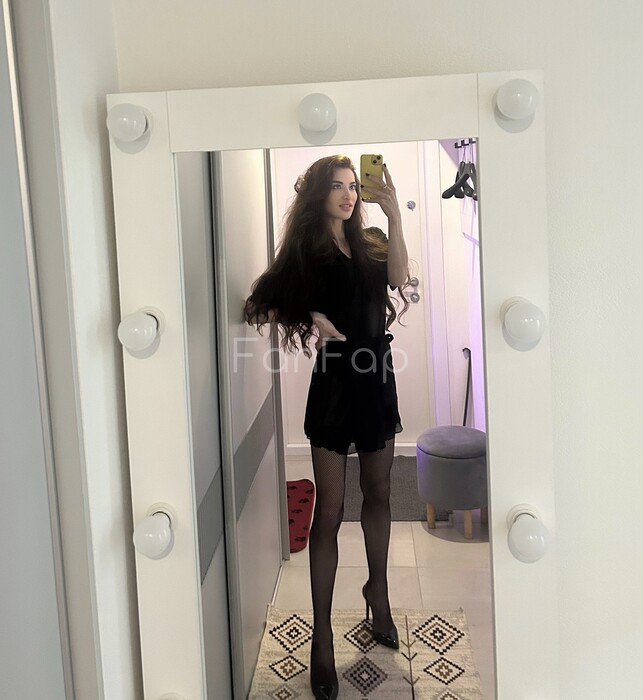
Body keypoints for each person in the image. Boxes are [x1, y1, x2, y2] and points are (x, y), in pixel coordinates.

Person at [245, 154, 409, 700]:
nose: (347, 194)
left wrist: (396, 216)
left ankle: (377, 593)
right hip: (336, 386)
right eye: (337, 186)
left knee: (380, 493)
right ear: (319, 194)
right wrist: (307, 315)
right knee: (330, 514)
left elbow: (399, 278)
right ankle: (321, 637)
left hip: (377, 377)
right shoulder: (307, 252)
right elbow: (257, 307)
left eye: (352, 186)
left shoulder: (373, 242)